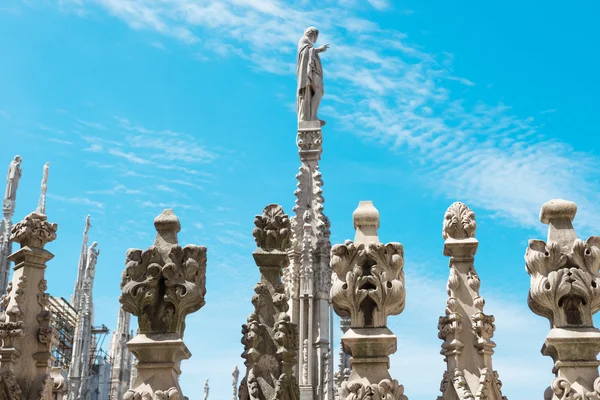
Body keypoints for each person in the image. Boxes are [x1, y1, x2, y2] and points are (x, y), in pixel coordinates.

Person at [297, 27, 329, 125]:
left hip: (313, 71)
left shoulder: (309, 44)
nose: (316, 40)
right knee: (319, 90)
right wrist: (318, 50)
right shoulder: (304, 39)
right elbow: (304, 52)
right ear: (313, 34)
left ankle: (312, 116)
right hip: (310, 72)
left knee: (319, 91)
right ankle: (312, 116)